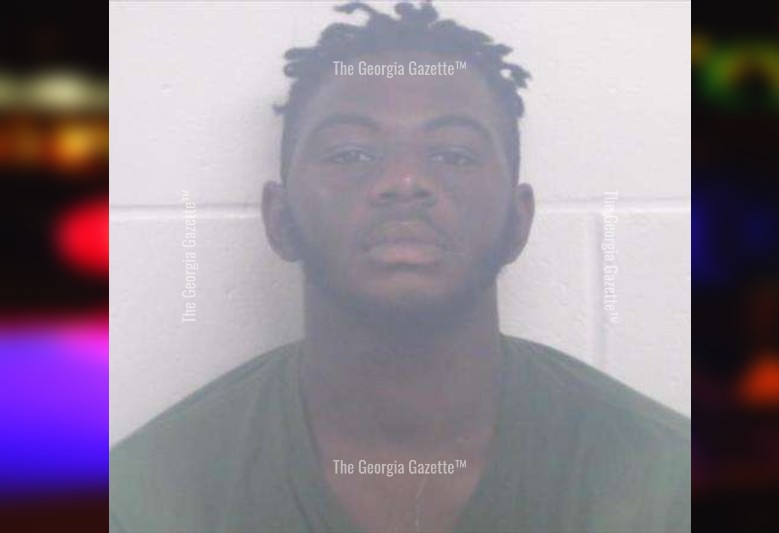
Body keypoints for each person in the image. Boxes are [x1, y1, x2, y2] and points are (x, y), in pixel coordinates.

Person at [110, 2, 690, 532]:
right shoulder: (143, 498)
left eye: (453, 154)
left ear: (518, 222)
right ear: (280, 219)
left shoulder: (668, 484)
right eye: (351, 153)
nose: (404, 182)